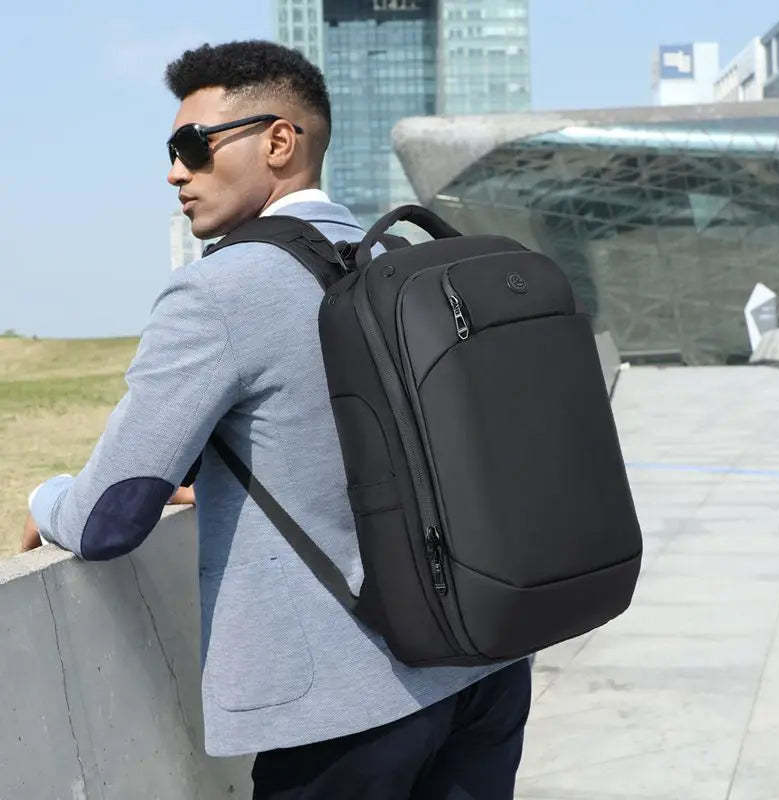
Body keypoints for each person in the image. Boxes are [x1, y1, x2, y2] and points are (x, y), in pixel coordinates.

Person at [20, 40, 532, 799]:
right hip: (488, 672)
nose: (175, 172)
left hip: (350, 709)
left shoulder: (222, 290)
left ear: (280, 141)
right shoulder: (397, 259)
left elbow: (107, 518)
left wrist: (44, 499)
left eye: (193, 146)